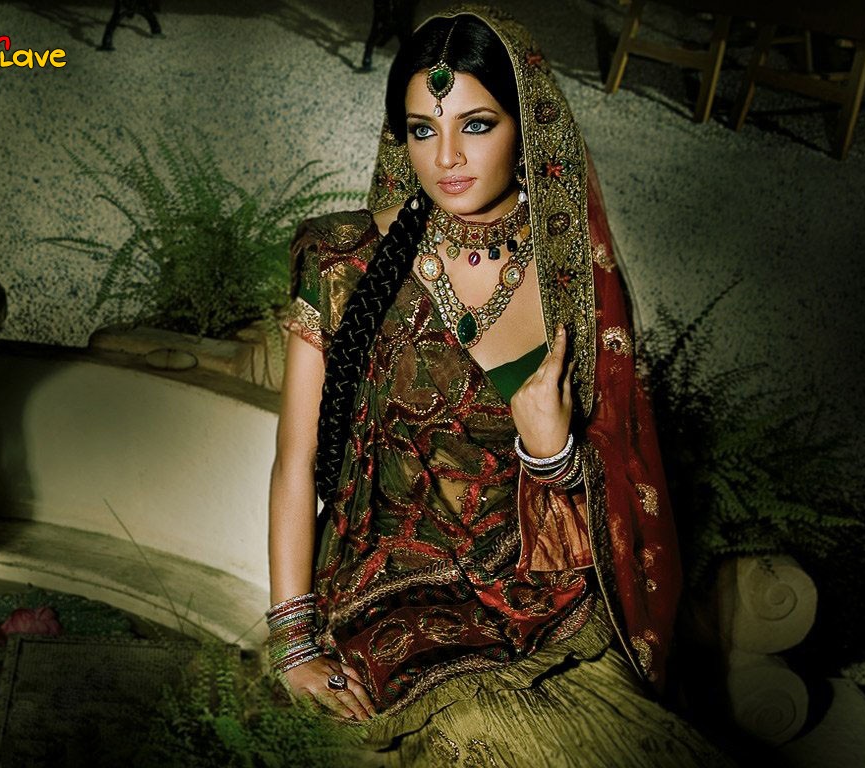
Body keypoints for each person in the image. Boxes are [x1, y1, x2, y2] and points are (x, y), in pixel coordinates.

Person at [268, 6, 730, 765]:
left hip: (544, 598)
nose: (447, 157)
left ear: (527, 131)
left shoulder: (573, 278)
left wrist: (551, 454)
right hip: (393, 599)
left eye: (476, 125)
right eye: (423, 130)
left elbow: (613, 504)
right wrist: (293, 645)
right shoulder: (344, 261)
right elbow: (296, 461)